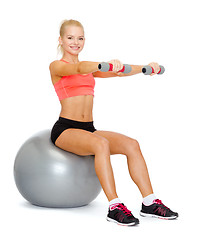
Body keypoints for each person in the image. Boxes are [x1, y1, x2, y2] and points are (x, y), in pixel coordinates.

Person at [49, 19, 178, 226]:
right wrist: (103, 63)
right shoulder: (57, 66)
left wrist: (146, 68)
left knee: (131, 144)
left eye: (80, 38)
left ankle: (149, 202)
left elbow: (119, 71)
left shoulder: (90, 69)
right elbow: (80, 67)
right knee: (102, 144)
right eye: (70, 38)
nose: (76, 42)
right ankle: (114, 206)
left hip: (88, 128)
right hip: (66, 129)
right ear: (61, 40)